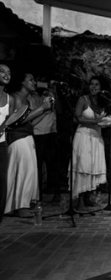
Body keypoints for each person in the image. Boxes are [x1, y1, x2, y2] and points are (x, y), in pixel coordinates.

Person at [5, 71, 53, 217]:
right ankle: (21, 206)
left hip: (27, 136)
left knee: (27, 172)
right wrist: (41, 108)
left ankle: (20, 204)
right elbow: (16, 121)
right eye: (31, 80)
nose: (34, 82)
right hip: (18, 139)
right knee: (24, 172)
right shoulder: (15, 97)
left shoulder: (27, 100)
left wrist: (44, 112)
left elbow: (30, 123)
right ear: (22, 83)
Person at [70, 76, 110, 209]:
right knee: (83, 166)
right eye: (92, 84)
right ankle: (79, 198)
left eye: (97, 84)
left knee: (92, 166)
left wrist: (109, 121)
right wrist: (95, 122)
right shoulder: (83, 99)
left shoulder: (101, 102)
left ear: (101, 87)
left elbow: (102, 119)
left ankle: (88, 196)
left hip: (96, 136)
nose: (94, 87)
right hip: (83, 136)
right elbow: (77, 117)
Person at [28, 85, 59, 202]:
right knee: (38, 166)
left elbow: (58, 110)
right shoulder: (32, 97)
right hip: (38, 134)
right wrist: (45, 110)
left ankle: (56, 193)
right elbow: (32, 119)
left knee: (53, 165)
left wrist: (53, 94)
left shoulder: (50, 94)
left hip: (51, 132)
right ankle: (38, 196)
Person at [0, 64, 14, 222]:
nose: (6, 74)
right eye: (2, 71)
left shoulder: (10, 98)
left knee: (2, 184)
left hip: (1, 145)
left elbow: (9, 121)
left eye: (9, 72)